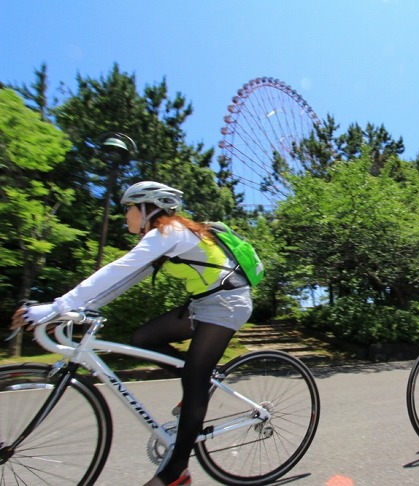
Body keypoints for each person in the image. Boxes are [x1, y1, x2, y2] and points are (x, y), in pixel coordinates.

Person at [10, 181, 253, 486]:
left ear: (147, 208)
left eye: (128, 208)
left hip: (227, 303)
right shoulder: (160, 240)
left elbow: (118, 269)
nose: (124, 215)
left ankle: (176, 472)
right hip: (201, 303)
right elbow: (121, 281)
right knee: (143, 338)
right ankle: (200, 380)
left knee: (194, 380)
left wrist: (57, 306)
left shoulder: (171, 231)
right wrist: (72, 310)